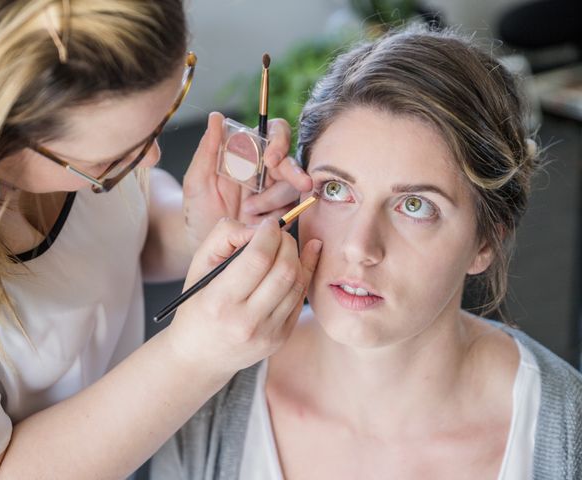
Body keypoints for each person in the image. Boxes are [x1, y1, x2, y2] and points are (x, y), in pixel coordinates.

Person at [150, 27, 582, 479]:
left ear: (486, 242)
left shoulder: (563, 435)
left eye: (415, 206)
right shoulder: (208, 404)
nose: (360, 248)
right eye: (336, 190)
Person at [0, 1, 322, 478]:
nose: (151, 159)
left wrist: (202, 227)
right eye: (108, 163)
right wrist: (193, 355)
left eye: (161, 120)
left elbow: (116, 237)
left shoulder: (86, 142)